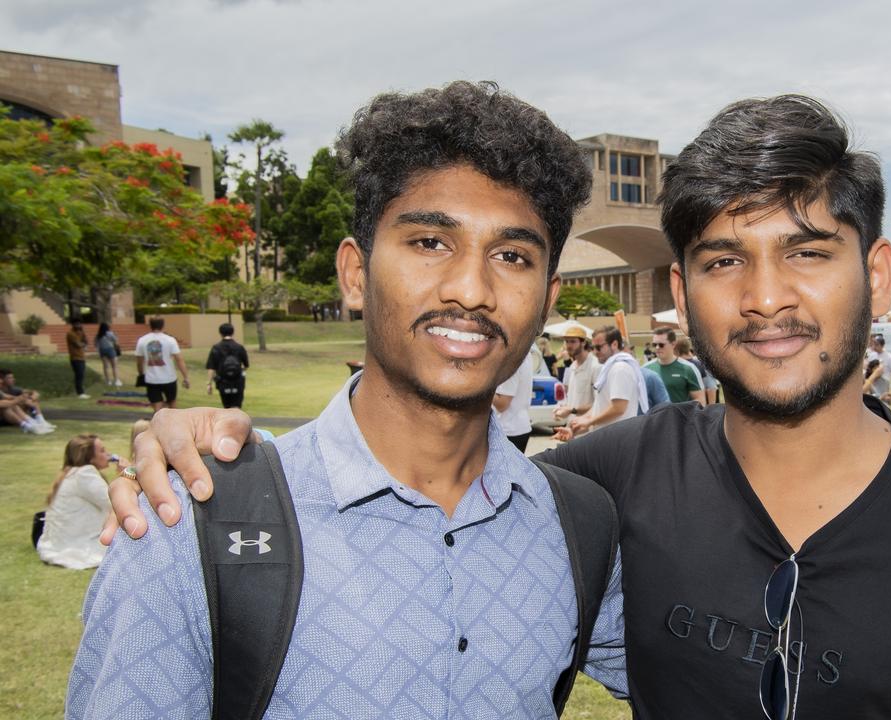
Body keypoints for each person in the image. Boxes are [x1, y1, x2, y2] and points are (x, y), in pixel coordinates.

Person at [112, 93, 891, 718]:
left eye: (806, 254)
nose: (767, 298)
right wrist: (187, 435)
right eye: (428, 242)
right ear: (681, 297)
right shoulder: (595, 493)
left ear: (875, 272)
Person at [70, 81, 626, 718]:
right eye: (429, 243)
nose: (471, 288)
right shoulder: (190, 520)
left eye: (511, 255)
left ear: (547, 300)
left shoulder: (578, 529)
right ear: (356, 274)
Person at [37, 434, 120, 569]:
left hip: (58, 543)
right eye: (102, 451)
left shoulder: (71, 473)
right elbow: (115, 502)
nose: (108, 454)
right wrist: (128, 474)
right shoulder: (84, 474)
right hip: (75, 545)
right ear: (90, 457)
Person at [135, 317, 189, 413]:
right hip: (169, 378)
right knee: (172, 403)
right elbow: (179, 360)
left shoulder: (142, 340)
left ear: (150, 325)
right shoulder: (170, 340)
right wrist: (185, 377)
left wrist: (141, 373)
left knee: (157, 407)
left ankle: (159, 426)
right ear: (163, 325)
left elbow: (139, 361)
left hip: (152, 379)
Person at [643, 328, 705, 405]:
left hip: (681, 416)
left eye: (661, 345)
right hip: (654, 416)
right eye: (654, 345)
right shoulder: (646, 368)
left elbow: (700, 399)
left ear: (673, 344)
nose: (657, 348)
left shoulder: (688, 368)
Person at [552, 325, 599, 424]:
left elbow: (599, 404)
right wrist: (562, 409)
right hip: (573, 428)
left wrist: (571, 410)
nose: (569, 345)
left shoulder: (595, 367)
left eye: (573, 341)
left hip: (589, 429)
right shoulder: (572, 366)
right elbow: (572, 399)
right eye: (567, 341)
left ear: (583, 342)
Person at [493, 344, 535, 451]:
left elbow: (502, 404)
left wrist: (483, 386)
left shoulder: (512, 361)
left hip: (508, 429)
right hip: (518, 426)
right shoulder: (526, 354)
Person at [204, 322, 249, 409]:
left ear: (220, 333)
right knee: (237, 407)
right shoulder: (239, 347)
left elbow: (211, 367)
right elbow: (246, 365)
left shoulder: (216, 348)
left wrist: (209, 384)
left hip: (222, 382)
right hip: (238, 382)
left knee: (227, 408)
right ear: (233, 332)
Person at [0, 368, 55, 433]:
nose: (13, 380)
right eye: (10, 378)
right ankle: (30, 425)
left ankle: (36, 423)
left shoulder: (10, 390)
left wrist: (28, 398)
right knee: (7, 407)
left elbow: (8, 397)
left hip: (10, 416)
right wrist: (18, 400)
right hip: (4, 417)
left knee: (17, 404)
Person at [675, 336, 719, 404]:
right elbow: (711, 387)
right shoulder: (700, 363)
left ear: (676, 350)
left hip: (697, 407)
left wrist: (709, 410)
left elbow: (711, 387)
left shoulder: (698, 364)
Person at [865, 334, 891, 404]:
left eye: (877, 345)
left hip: (884, 384)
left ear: (882, 345)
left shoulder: (889, 357)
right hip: (873, 383)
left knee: (885, 403)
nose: (874, 347)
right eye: (873, 344)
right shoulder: (871, 355)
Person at [66, 318, 89, 399]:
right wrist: (83, 344)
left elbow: (86, 341)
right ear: (73, 324)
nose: (78, 325)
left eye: (79, 324)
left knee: (81, 375)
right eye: (76, 324)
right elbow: (78, 344)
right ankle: (80, 392)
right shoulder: (70, 334)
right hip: (75, 357)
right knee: (79, 375)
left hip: (81, 357)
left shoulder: (80, 332)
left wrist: (83, 335)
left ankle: (81, 391)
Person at [94, 322, 121, 387]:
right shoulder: (110, 333)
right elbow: (116, 340)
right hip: (110, 349)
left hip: (102, 350)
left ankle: (108, 381)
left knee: (106, 367)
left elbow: (96, 344)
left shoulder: (98, 335)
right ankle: (116, 380)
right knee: (114, 366)